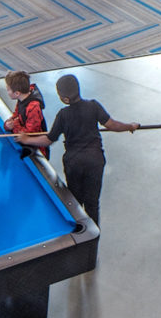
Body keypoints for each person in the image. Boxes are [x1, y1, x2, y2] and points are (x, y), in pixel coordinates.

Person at [16, 74, 139, 225]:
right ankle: (94, 234)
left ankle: (79, 232)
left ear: (65, 99)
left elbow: (49, 139)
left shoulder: (63, 115)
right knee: (92, 203)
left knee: (75, 201)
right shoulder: (93, 106)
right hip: (95, 161)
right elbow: (113, 125)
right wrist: (130, 126)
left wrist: (26, 139)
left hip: (74, 163)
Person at [2, 71, 48, 158]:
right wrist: (8, 124)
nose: (7, 91)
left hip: (37, 148)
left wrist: (14, 125)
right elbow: (16, 115)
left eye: (8, 89)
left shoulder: (34, 107)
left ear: (17, 93)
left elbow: (29, 133)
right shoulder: (21, 99)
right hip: (27, 141)